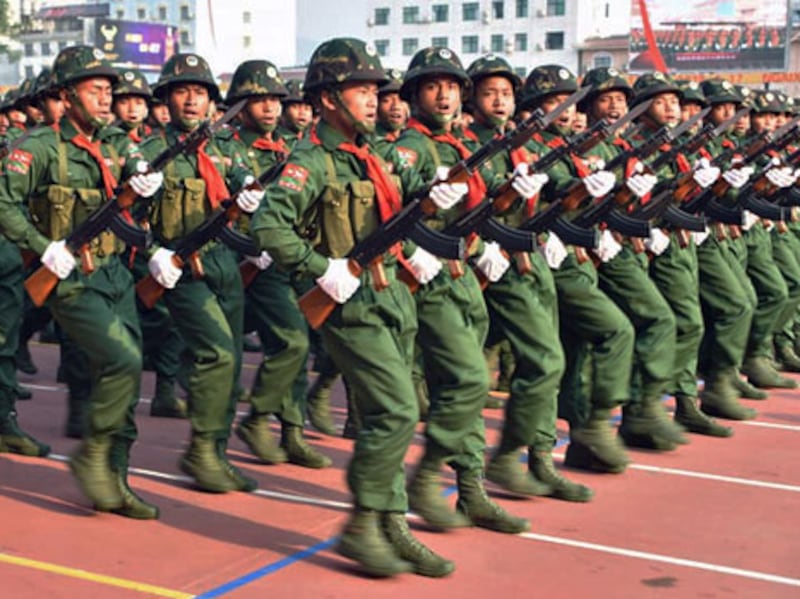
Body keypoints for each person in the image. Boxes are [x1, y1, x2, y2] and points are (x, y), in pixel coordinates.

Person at [251, 37, 455, 579]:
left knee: (383, 415)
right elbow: (267, 226)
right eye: (360, 90)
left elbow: (391, 216)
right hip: (351, 303)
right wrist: (320, 267)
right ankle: (364, 522)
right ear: (327, 100)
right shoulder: (311, 161)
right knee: (398, 410)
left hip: (393, 298)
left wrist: (433, 198)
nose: (374, 99)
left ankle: (392, 522)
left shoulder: (370, 159)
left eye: (374, 90)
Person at [0, 45, 164, 518]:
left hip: (115, 274)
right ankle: (94, 452)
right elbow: (4, 202)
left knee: (127, 379)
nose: (106, 97)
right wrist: (39, 243)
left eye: (109, 89)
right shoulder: (38, 148)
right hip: (69, 276)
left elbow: (137, 175)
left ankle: (116, 477)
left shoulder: (116, 143)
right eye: (95, 89)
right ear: (67, 95)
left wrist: (143, 187)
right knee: (123, 358)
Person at [394, 46, 534, 531]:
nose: (445, 94)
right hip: (428, 279)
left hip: (465, 274)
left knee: (469, 387)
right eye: (433, 85)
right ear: (415, 94)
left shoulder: (465, 147)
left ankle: (470, 488)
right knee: (471, 379)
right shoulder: (406, 147)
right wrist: (423, 205)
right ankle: (427, 475)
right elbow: (394, 208)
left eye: (452, 85)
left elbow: (479, 209)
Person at [139, 52, 261, 493]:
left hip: (225, 264)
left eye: (200, 92)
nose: (191, 101)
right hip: (180, 270)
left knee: (230, 363)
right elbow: (127, 216)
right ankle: (201, 452)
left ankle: (219, 448)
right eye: (182, 91)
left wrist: (252, 204)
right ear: (167, 100)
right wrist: (153, 252)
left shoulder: (227, 149)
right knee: (217, 354)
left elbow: (250, 188)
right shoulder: (151, 153)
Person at [518, 65, 635, 473]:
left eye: (569, 102)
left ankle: (579, 438)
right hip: (537, 261)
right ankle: (590, 426)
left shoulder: (576, 146)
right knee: (609, 332)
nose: (565, 111)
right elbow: (548, 195)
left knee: (574, 353)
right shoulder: (531, 150)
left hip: (576, 260)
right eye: (554, 103)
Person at [227, 59, 331, 468]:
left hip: (288, 259)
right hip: (251, 261)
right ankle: (256, 419)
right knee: (292, 342)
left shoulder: (291, 148)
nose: (271, 107)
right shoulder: (227, 150)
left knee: (293, 347)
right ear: (240, 103)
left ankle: (292, 431)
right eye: (259, 99)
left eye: (275, 99)